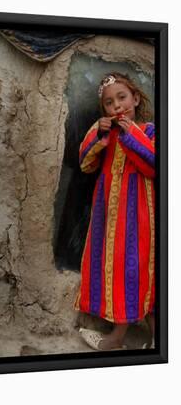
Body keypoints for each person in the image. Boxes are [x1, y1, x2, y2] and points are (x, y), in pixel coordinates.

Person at [75, 72, 155, 351]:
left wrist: (129, 130)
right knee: (123, 270)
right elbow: (85, 163)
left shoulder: (149, 131)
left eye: (122, 97)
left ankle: (116, 340)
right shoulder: (107, 135)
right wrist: (99, 133)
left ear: (135, 97)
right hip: (108, 217)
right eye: (109, 103)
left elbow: (154, 163)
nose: (117, 106)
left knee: (135, 269)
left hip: (140, 216)